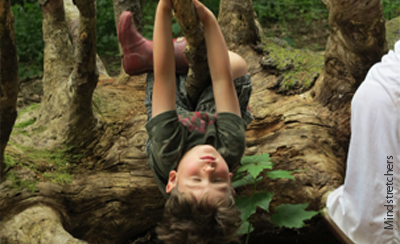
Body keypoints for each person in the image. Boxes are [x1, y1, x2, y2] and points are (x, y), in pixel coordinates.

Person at [118, 0, 253, 243]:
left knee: (173, 72)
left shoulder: (166, 149)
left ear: (173, 179)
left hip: (175, 115)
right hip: (212, 122)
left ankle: (151, 53)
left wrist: (163, 9)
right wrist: (208, 20)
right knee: (237, 65)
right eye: (218, 180)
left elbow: (164, 76)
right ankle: (165, 53)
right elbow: (222, 79)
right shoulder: (231, 146)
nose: (209, 170)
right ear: (231, 181)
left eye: (196, 179)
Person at [323, 40, 400, 243]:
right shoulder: (386, 102)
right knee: (382, 207)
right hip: (386, 104)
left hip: (383, 99)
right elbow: (380, 211)